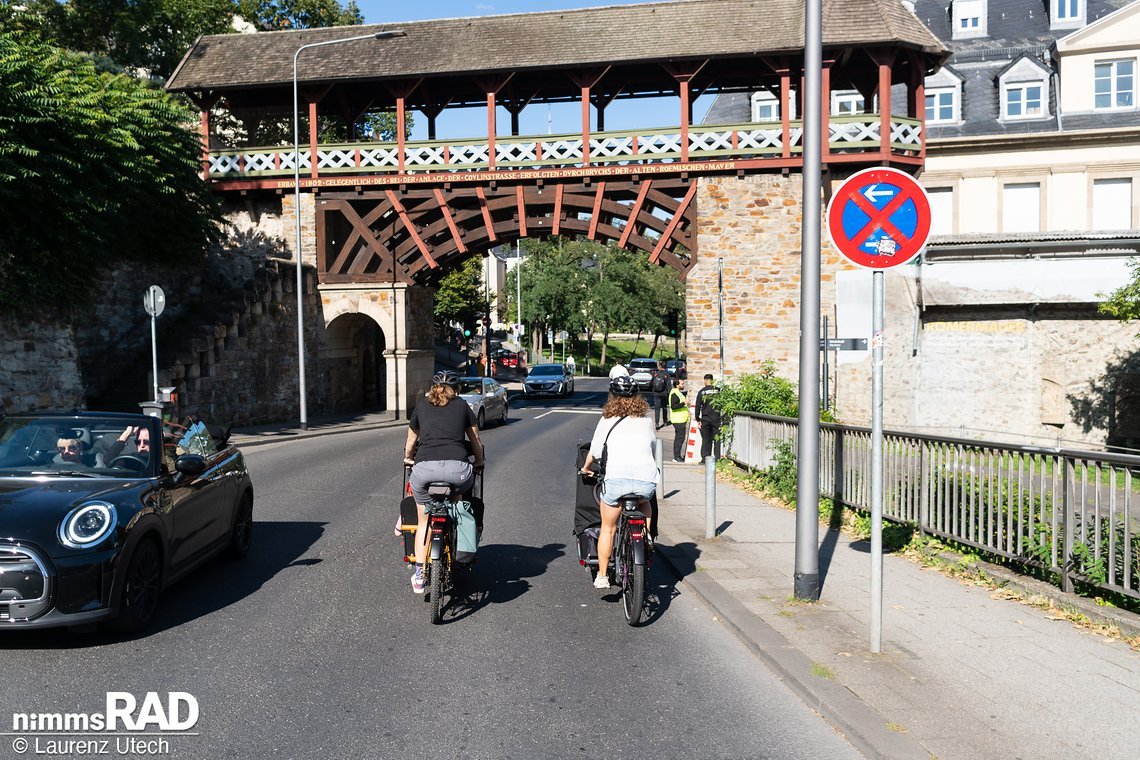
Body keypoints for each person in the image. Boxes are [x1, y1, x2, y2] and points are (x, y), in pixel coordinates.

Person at [403, 370, 485, 594]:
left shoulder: (421, 406)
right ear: (457, 390)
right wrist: (479, 461)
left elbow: (411, 441)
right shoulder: (462, 406)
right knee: (457, 498)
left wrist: (409, 458)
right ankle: (459, 549)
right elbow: (475, 440)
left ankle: (419, 574)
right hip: (457, 471)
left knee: (423, 522)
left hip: (424, 471)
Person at [579, 375, 658, 590]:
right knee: (645, 502)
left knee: (608, 527)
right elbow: (651, 448)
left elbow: (594, 452)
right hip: (645, 482)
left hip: (616, 482)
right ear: (637, 398)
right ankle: (647, 535)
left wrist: (585, 469)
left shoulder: (606, 421)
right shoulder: (646, 421)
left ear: (612, 397)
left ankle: (603, 576)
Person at [695, 373, 722, 461]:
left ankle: (705, 459)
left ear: (705, 380)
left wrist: (698, 418)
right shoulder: (718, 390)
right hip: (716, 418)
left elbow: (698, 406)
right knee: (717, 439)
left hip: (705, 418)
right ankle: (717, 458)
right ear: (712, 380)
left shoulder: (702, 392)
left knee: (706, 439)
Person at [668, 377, 690, 462]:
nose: (683, 385)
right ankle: (676, 456)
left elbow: (680, 396)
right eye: (682, 384)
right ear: (677, 385)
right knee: (679, 439)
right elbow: (674, 406)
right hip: (678, 419)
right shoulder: (674, 393)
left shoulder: (677, 392)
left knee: (680, 438)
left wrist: (687, 393)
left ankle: (677, 456)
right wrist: (684, 402)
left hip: (681, 419)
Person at [651, 360, 669, 429]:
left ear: (660, 366)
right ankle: (665, 421)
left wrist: (652, 390)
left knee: (657, 409)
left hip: (656, 393)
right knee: (664, 407)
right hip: (664, 394)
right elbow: (669, 385)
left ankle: (657, 423)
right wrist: (669, 393)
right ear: (665, 367)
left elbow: (651, 383)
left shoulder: (656, 374)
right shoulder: (666, 374)